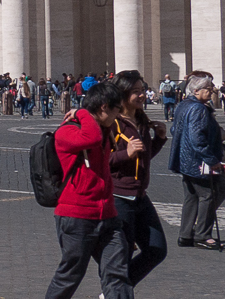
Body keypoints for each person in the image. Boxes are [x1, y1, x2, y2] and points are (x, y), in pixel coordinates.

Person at [46, 82, 130, 299]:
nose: (118, 114)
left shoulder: (103, 127)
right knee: (70, 275)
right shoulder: (68, 131)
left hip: (107, 215)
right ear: (103, 107)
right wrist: (83, 112)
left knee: (117, 273)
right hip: (77, 216)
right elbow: (91, 139)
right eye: (116, 109)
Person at [107, 71, 168, 289]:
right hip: (118, 197)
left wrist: (159, 140)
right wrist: (126, 154)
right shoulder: (112, 124)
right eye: (136, 92)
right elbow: (101, 161)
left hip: (140, 196)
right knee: (120, 256)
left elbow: (142, 159)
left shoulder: (141, 120)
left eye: (142, 90)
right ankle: (116, 291)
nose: (142, 95)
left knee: (156, 249)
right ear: (122, 95)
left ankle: (116, 290)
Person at [169, 71, 225, 250]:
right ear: (196, 90)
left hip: (186, 159)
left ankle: (186, 234)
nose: (212, 90)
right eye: (208, 88)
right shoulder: (198, 108)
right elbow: (197, 138)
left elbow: (175, 130)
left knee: (191, 196)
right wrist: (211, 159)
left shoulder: (184, 105)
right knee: (209, 194)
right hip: (199, 161)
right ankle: (202, 235)